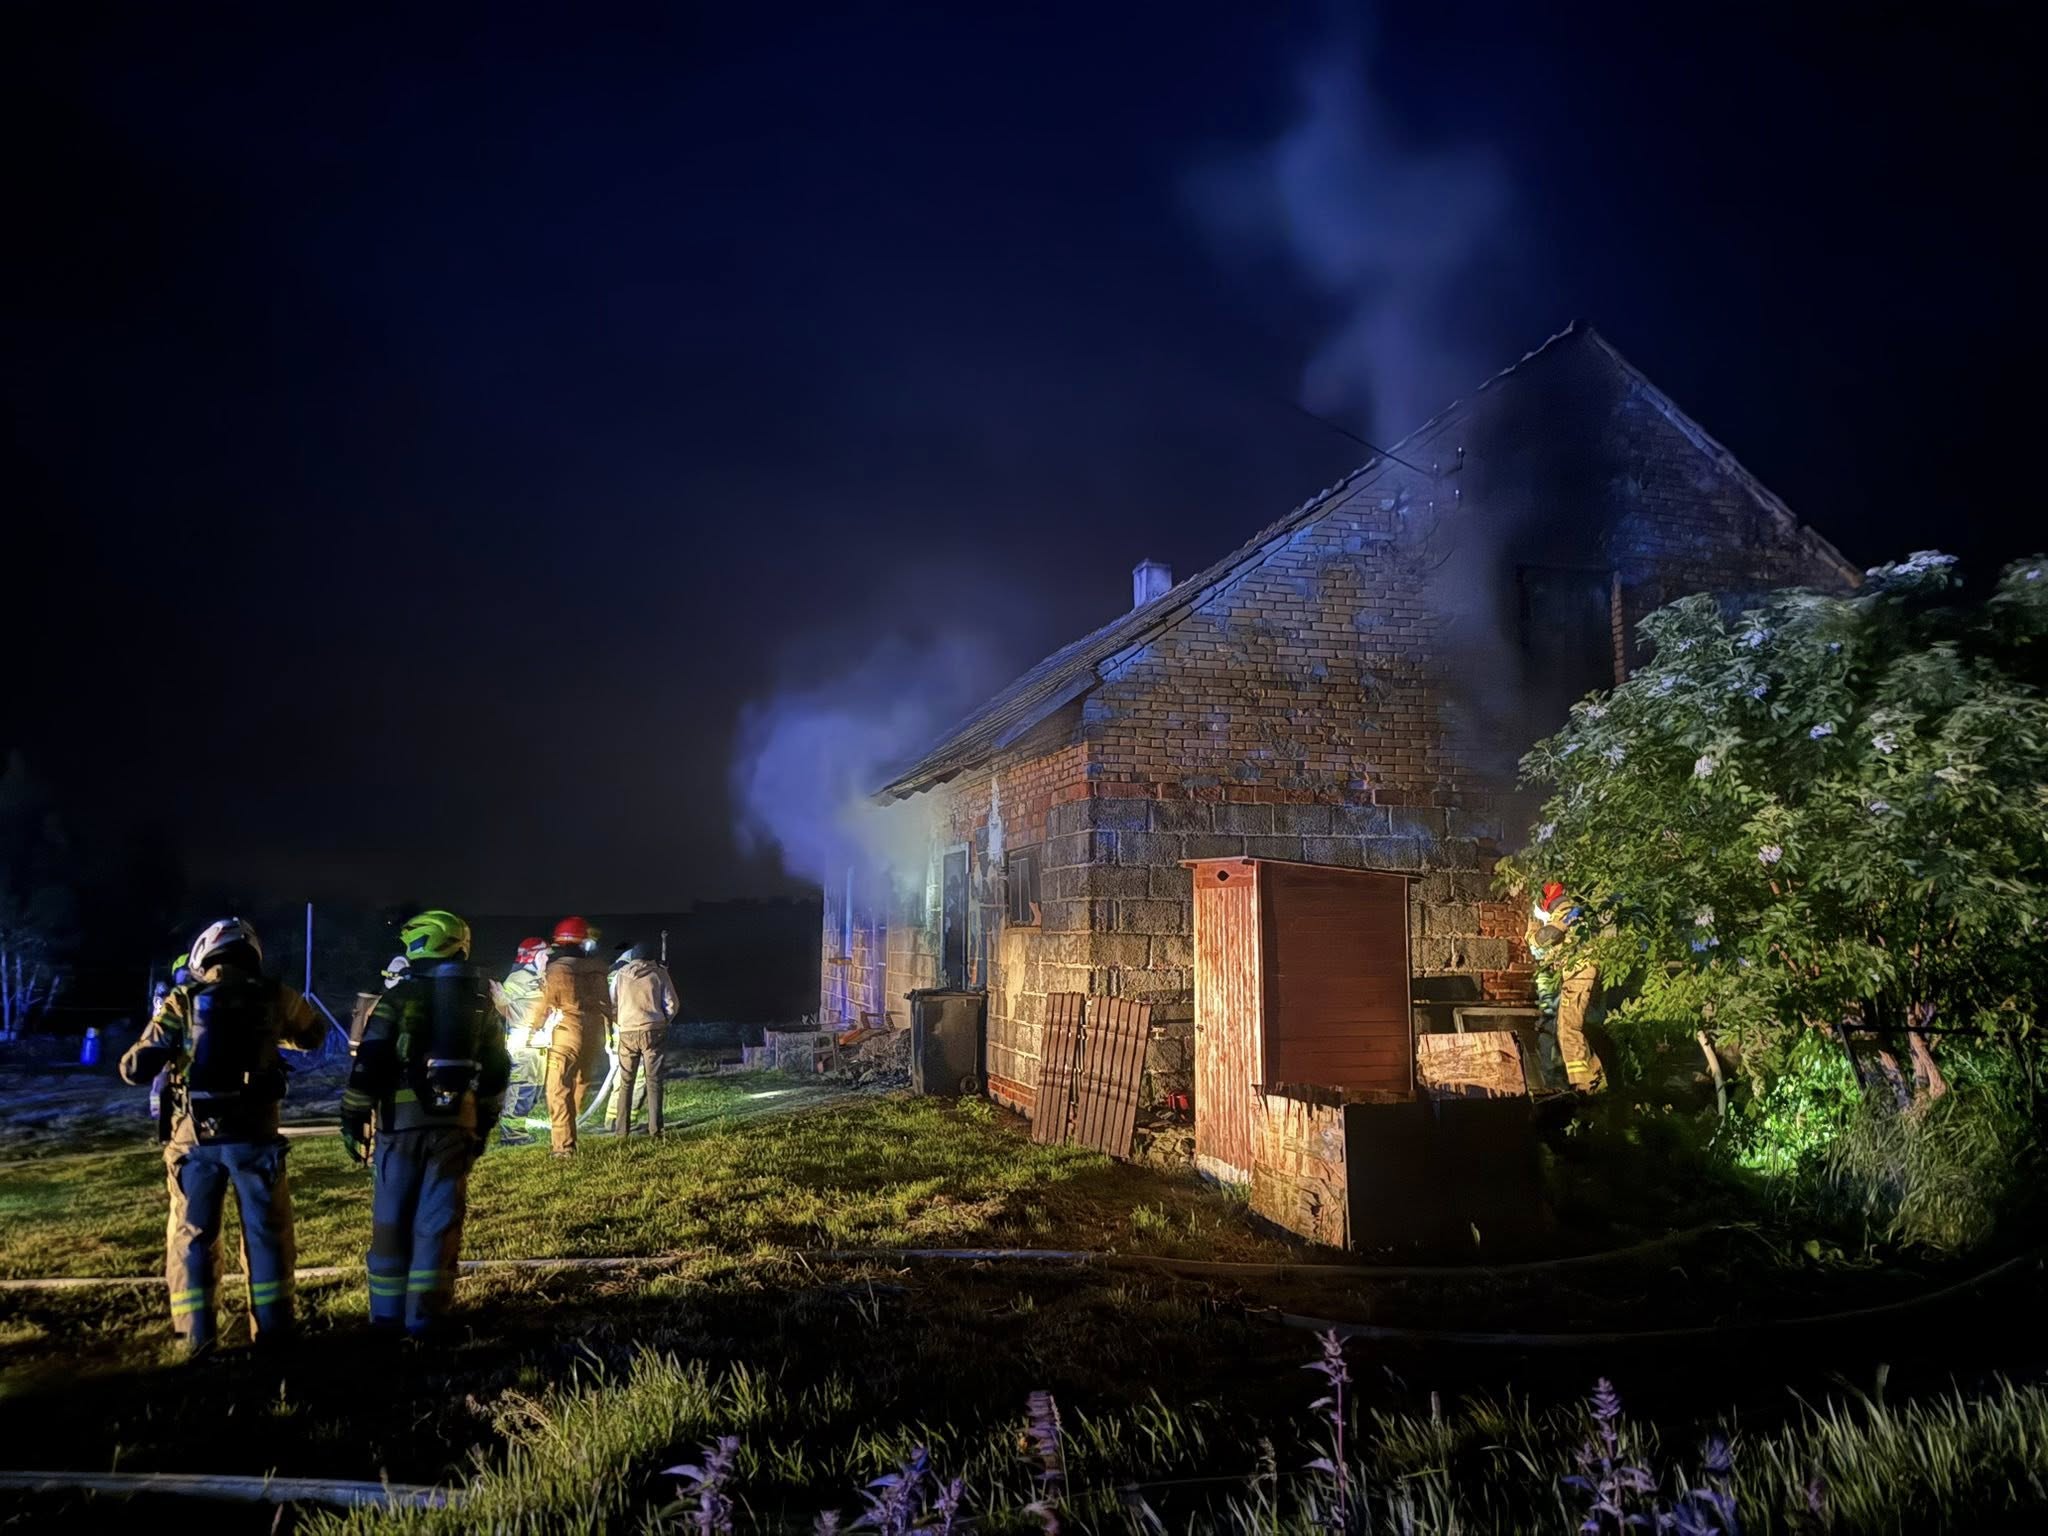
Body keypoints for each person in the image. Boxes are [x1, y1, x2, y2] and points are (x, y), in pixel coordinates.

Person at [118, 918, 325, 1358]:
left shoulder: (183, 998)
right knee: (267, 1237)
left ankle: (196, 1339)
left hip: (194, 1140)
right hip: (256, 1138)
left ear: (203, 954)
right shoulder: (278, 995)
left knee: (193, 1237)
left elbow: (135, 1068)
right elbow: (313, 1036)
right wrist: (269, 1032)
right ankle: (274, 1337)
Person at [339, 909, 509, 1336]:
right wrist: (484, 1122)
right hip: (455, 1127)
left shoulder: (398, 998)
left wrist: (353, 1114)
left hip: (398, 1127)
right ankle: (426, 1319)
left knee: (391, 1222)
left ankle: (385, 1319)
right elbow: (496, 1069)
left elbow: (370, 1060)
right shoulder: (478, 1003)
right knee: (438, 1223)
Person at [531, 916, 612, 1157]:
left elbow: (546, 1004)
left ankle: (563, 1147)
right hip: (593, 1032)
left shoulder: (558, 970)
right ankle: (571, 1128)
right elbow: (607, 1004)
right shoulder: (599, 969)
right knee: (581, 1082)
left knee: (558, 1089)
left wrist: (533, 1029)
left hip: (567, 1032)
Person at [608, 941, 678, 1136]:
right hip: (653, 1031)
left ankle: (621, 1131)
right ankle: (656, 1130)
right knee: (654, 1081)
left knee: (625, 1082)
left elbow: (611, 1004)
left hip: (627, 1033)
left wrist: (621, 1022)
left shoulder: (620, 975)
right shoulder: (659, 973)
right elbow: (672, 1004)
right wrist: (663, 1020)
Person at [495, 936, 549, 1142]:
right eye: (543, 955)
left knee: (533, 1091)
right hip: (523, 1045)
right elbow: (503, 1005)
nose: (546, 959)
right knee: (521, 1090)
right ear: (530, 957)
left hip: (538, 1044)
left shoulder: (541, 979)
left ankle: (517, 1129)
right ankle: (512, 1134)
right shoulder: (517, 979)